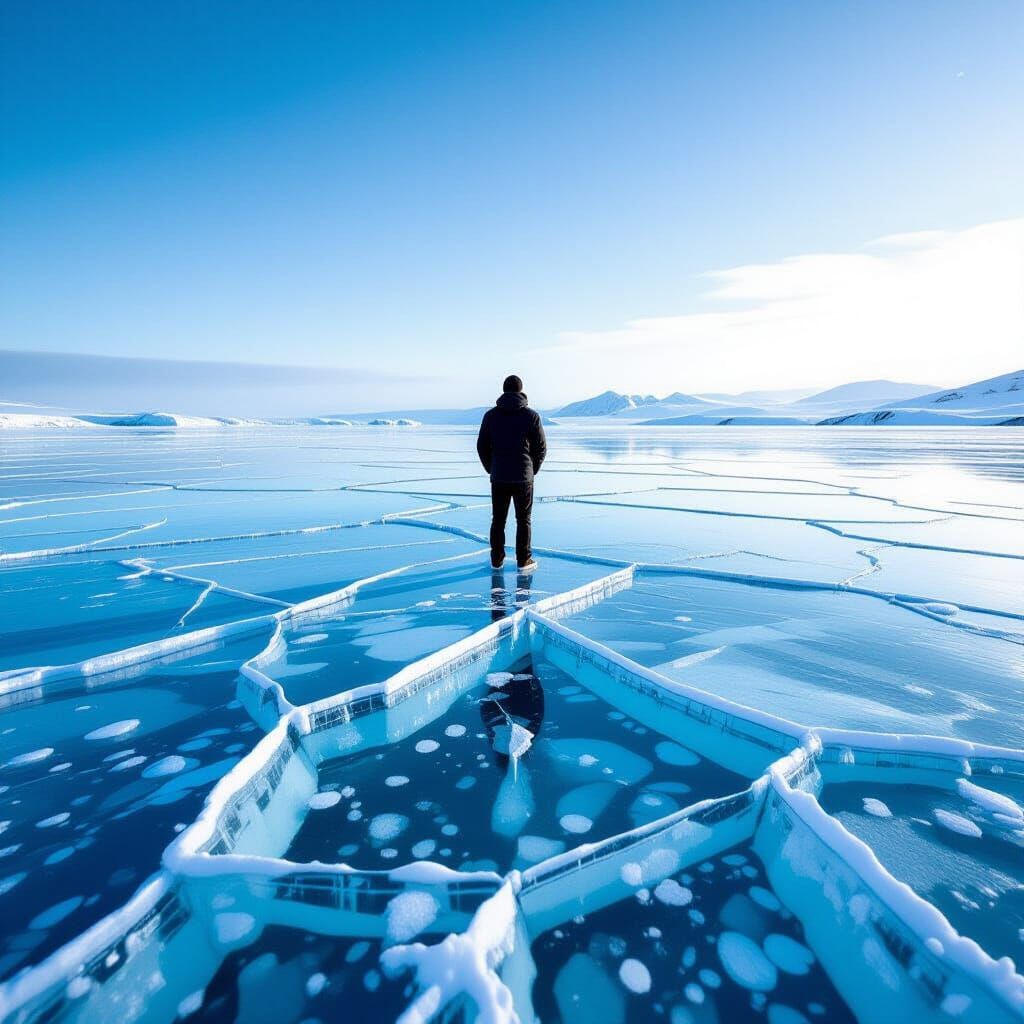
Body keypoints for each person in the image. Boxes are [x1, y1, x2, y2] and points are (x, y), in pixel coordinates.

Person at [476, 374, 546, 572]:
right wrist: (531, 469)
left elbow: (482, 446)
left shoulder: (491, 416)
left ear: (504, 390)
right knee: (523, 520)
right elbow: (541, 448)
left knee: (498, 520)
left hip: (499, 477)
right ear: (521, 390)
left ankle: (496, 560)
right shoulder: (531, 416)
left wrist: (492, 467)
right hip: (524, 478)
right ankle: (523, 560)